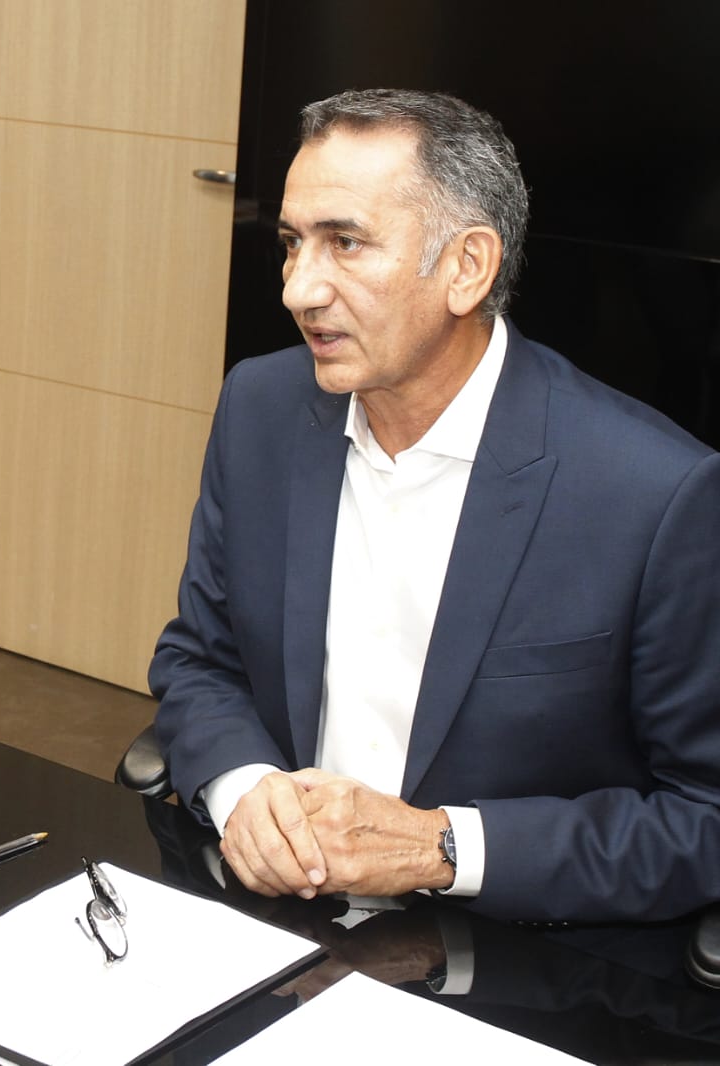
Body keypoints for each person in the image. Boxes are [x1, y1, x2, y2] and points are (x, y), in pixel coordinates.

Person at [149, 89, 720, 922]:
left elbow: (703, 817)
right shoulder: (259, 408)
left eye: (345, 243)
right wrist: (244, 789)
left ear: (466, 267)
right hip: (275, 915)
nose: (298, 290)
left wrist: (440, 848)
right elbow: (199, 660)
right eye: (292, 244)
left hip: (509, 951)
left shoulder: (653, 491)